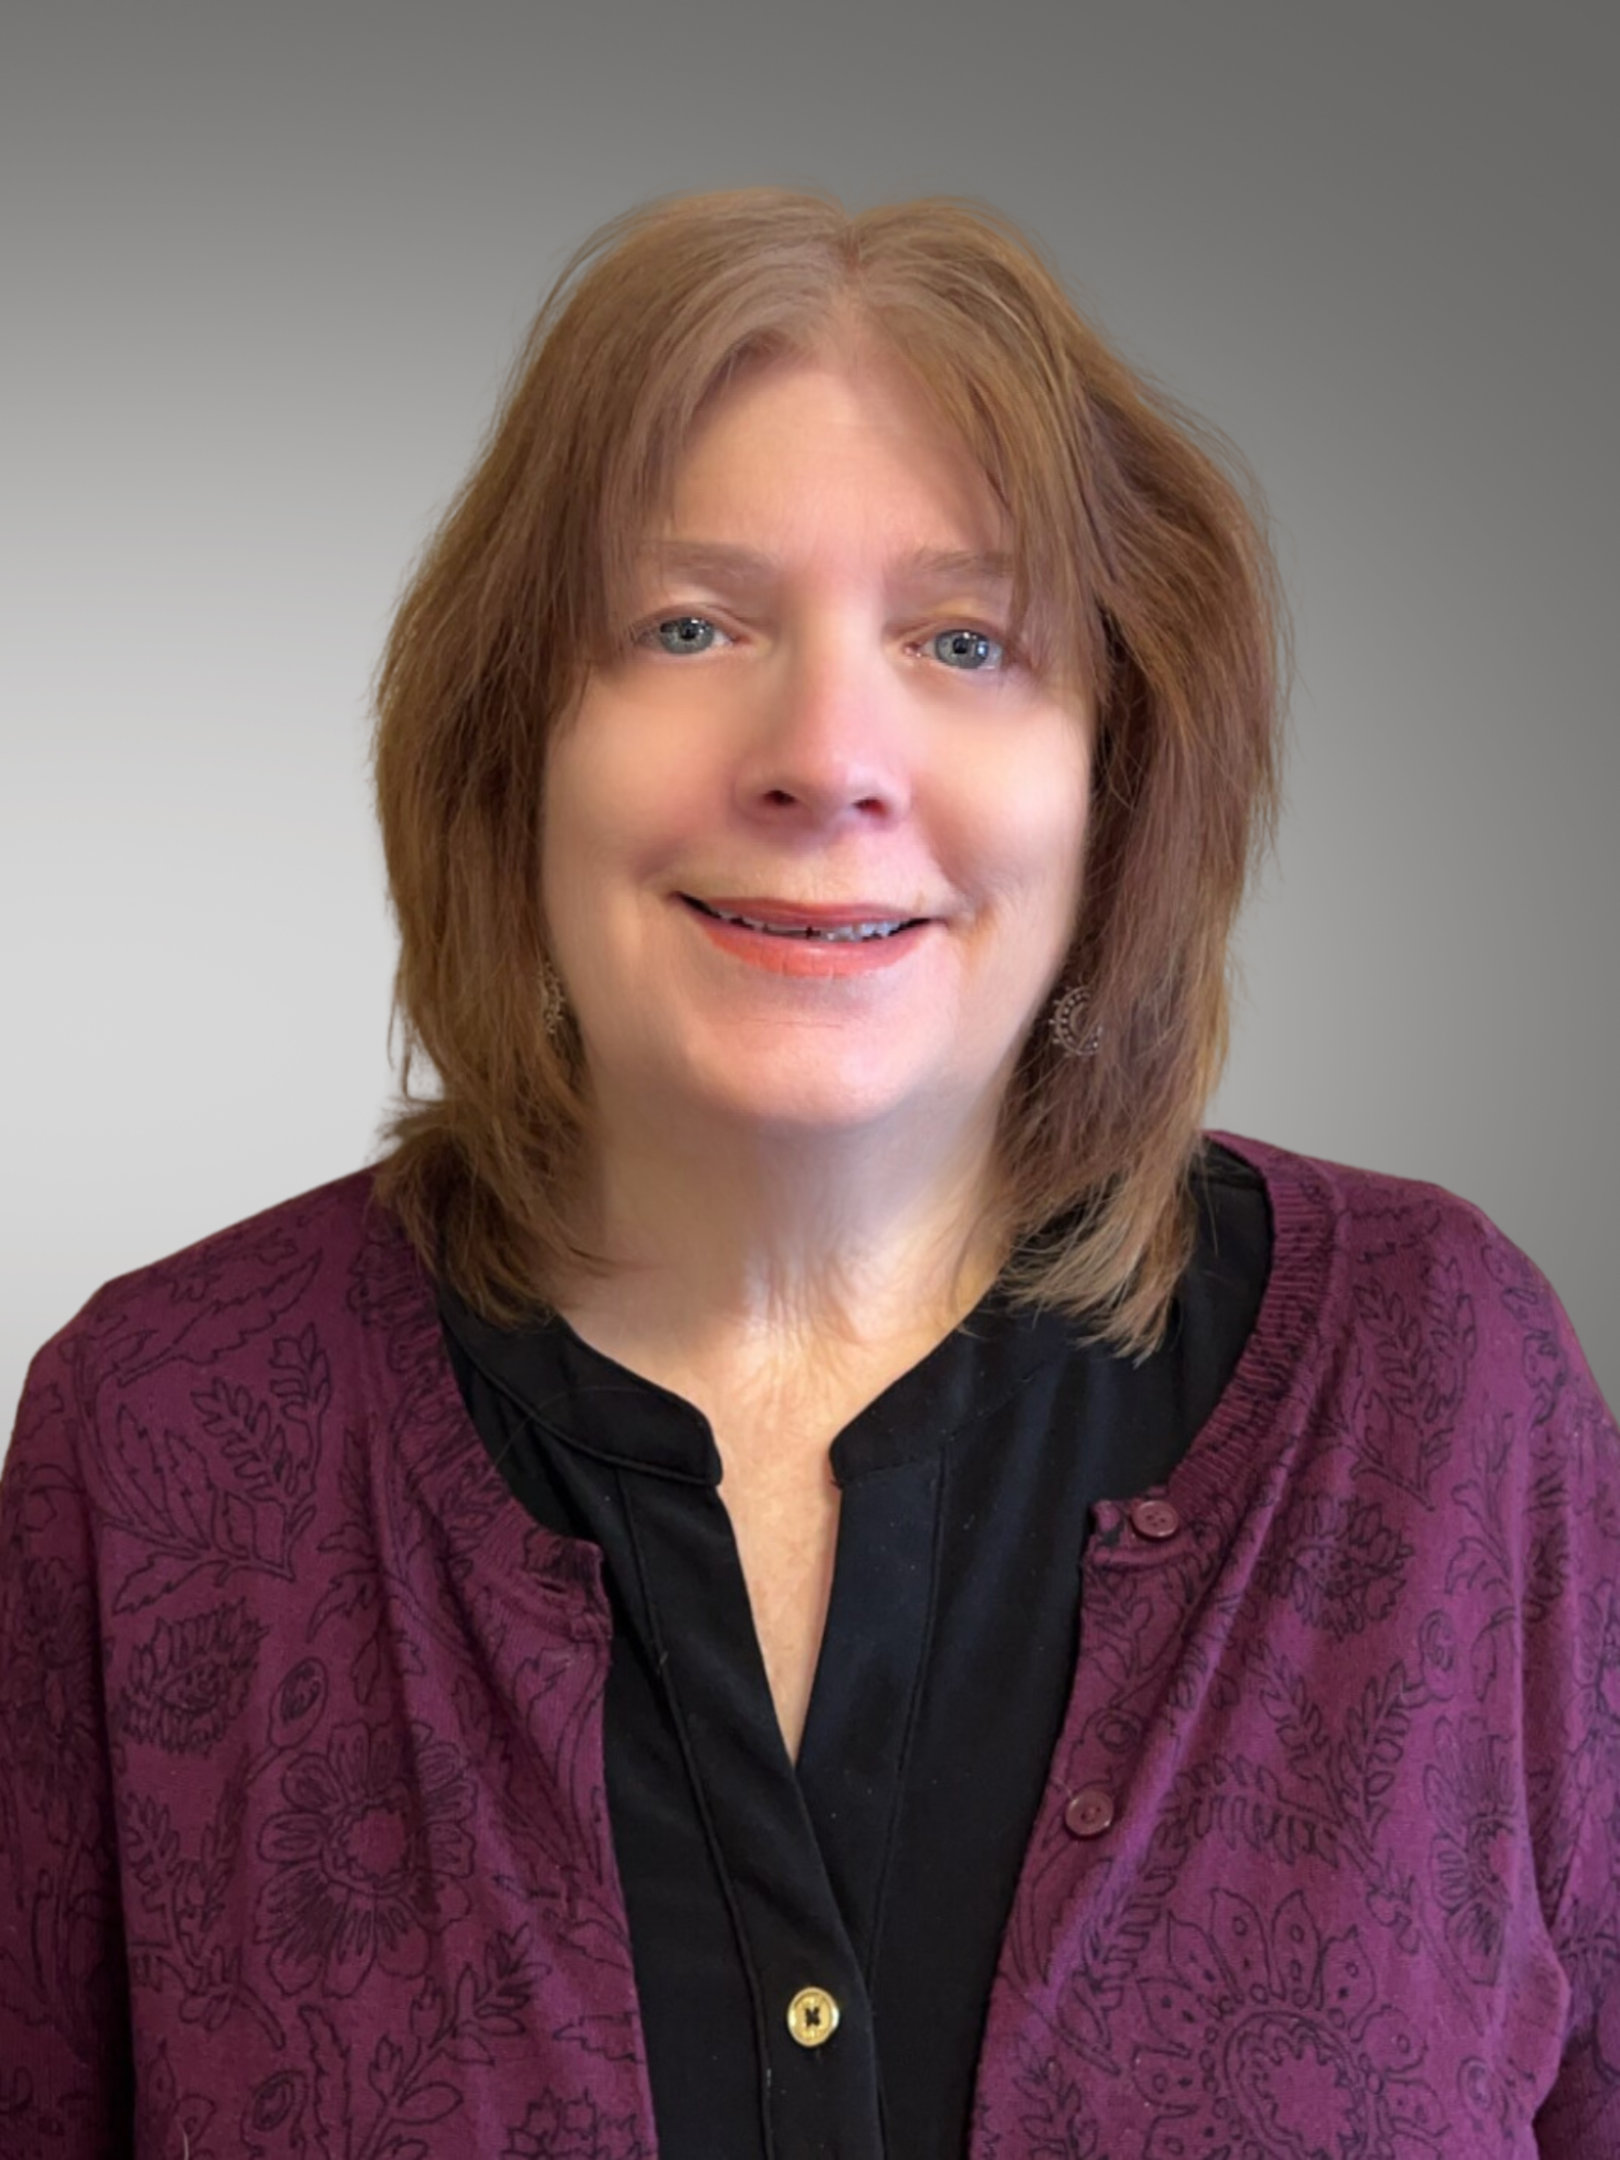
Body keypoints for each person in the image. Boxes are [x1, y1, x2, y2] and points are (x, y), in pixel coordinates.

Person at [1, 186, 1615, 2160]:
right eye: (690, 626)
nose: (829, 753)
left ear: (1125, 777)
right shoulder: (158, 1442)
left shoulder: (1443, 1385)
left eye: (965, 637)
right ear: (514, 748)